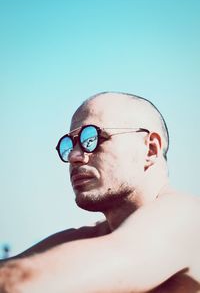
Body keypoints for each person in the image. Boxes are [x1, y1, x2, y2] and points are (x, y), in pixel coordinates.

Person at [0, 91, 200, 293]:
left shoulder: (186, 218)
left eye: (91, 137)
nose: (74, 156)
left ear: (150, 150)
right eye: (70, 145)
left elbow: (19, 282)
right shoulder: (94, 237)